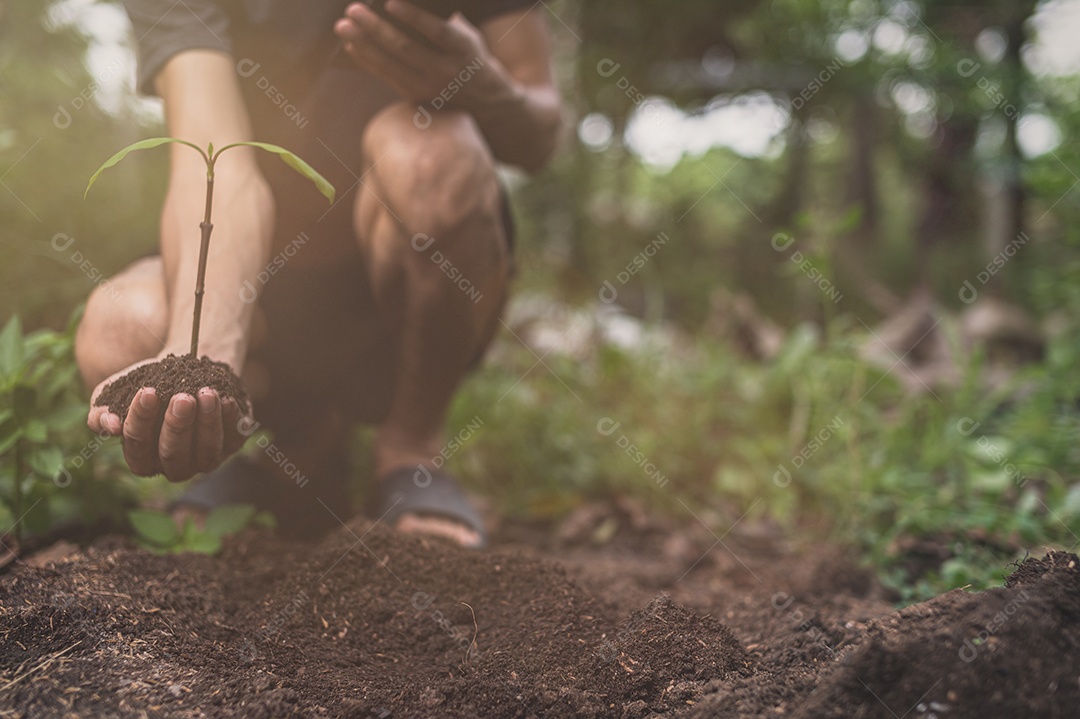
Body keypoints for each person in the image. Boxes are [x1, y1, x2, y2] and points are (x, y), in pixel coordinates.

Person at [75, 0, 562, 548]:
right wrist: (204, 362)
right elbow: (214, 162)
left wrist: (478, 85)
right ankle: (298, 450)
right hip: (263, 287)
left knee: (430, 154)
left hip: (401, 294)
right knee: (120, 330)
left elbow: (541, 134)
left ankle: (411, 447)